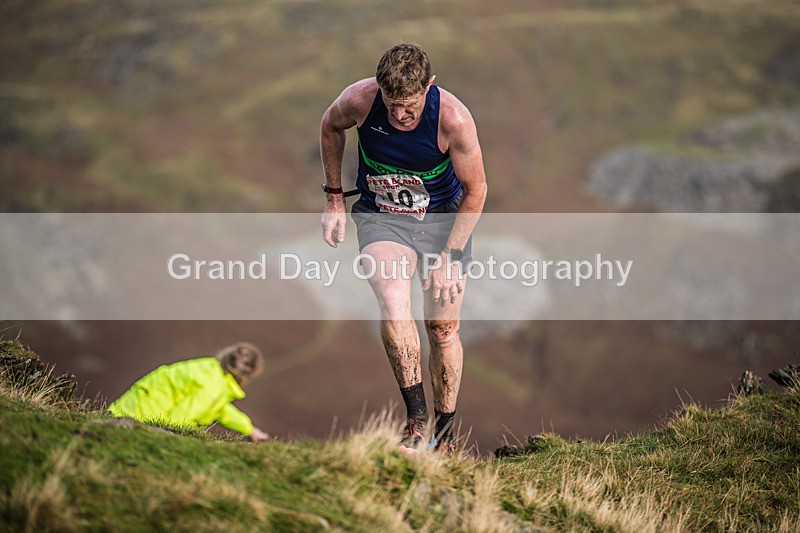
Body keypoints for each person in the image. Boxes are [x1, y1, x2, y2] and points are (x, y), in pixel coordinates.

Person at [319, 43, 487, 454]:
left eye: (409, 106)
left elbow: (477, 190)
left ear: (429, 87)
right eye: (392, 105)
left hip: (444, 224)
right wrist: (335, 198)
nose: (399, 115)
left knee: (442, 330)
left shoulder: (452, 119)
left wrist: (449, 257)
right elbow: (329, 126)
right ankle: (415, 423)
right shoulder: (360, 99)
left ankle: (444, 438)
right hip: (382, 217)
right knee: (394, 305)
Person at [108, 342, 270, 442]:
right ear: (245, 376)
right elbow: (180, 419)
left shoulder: (210, 370)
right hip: (138, 422)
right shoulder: (214, 387)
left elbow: (219, 408)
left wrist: (249, 428)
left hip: (128, 411)